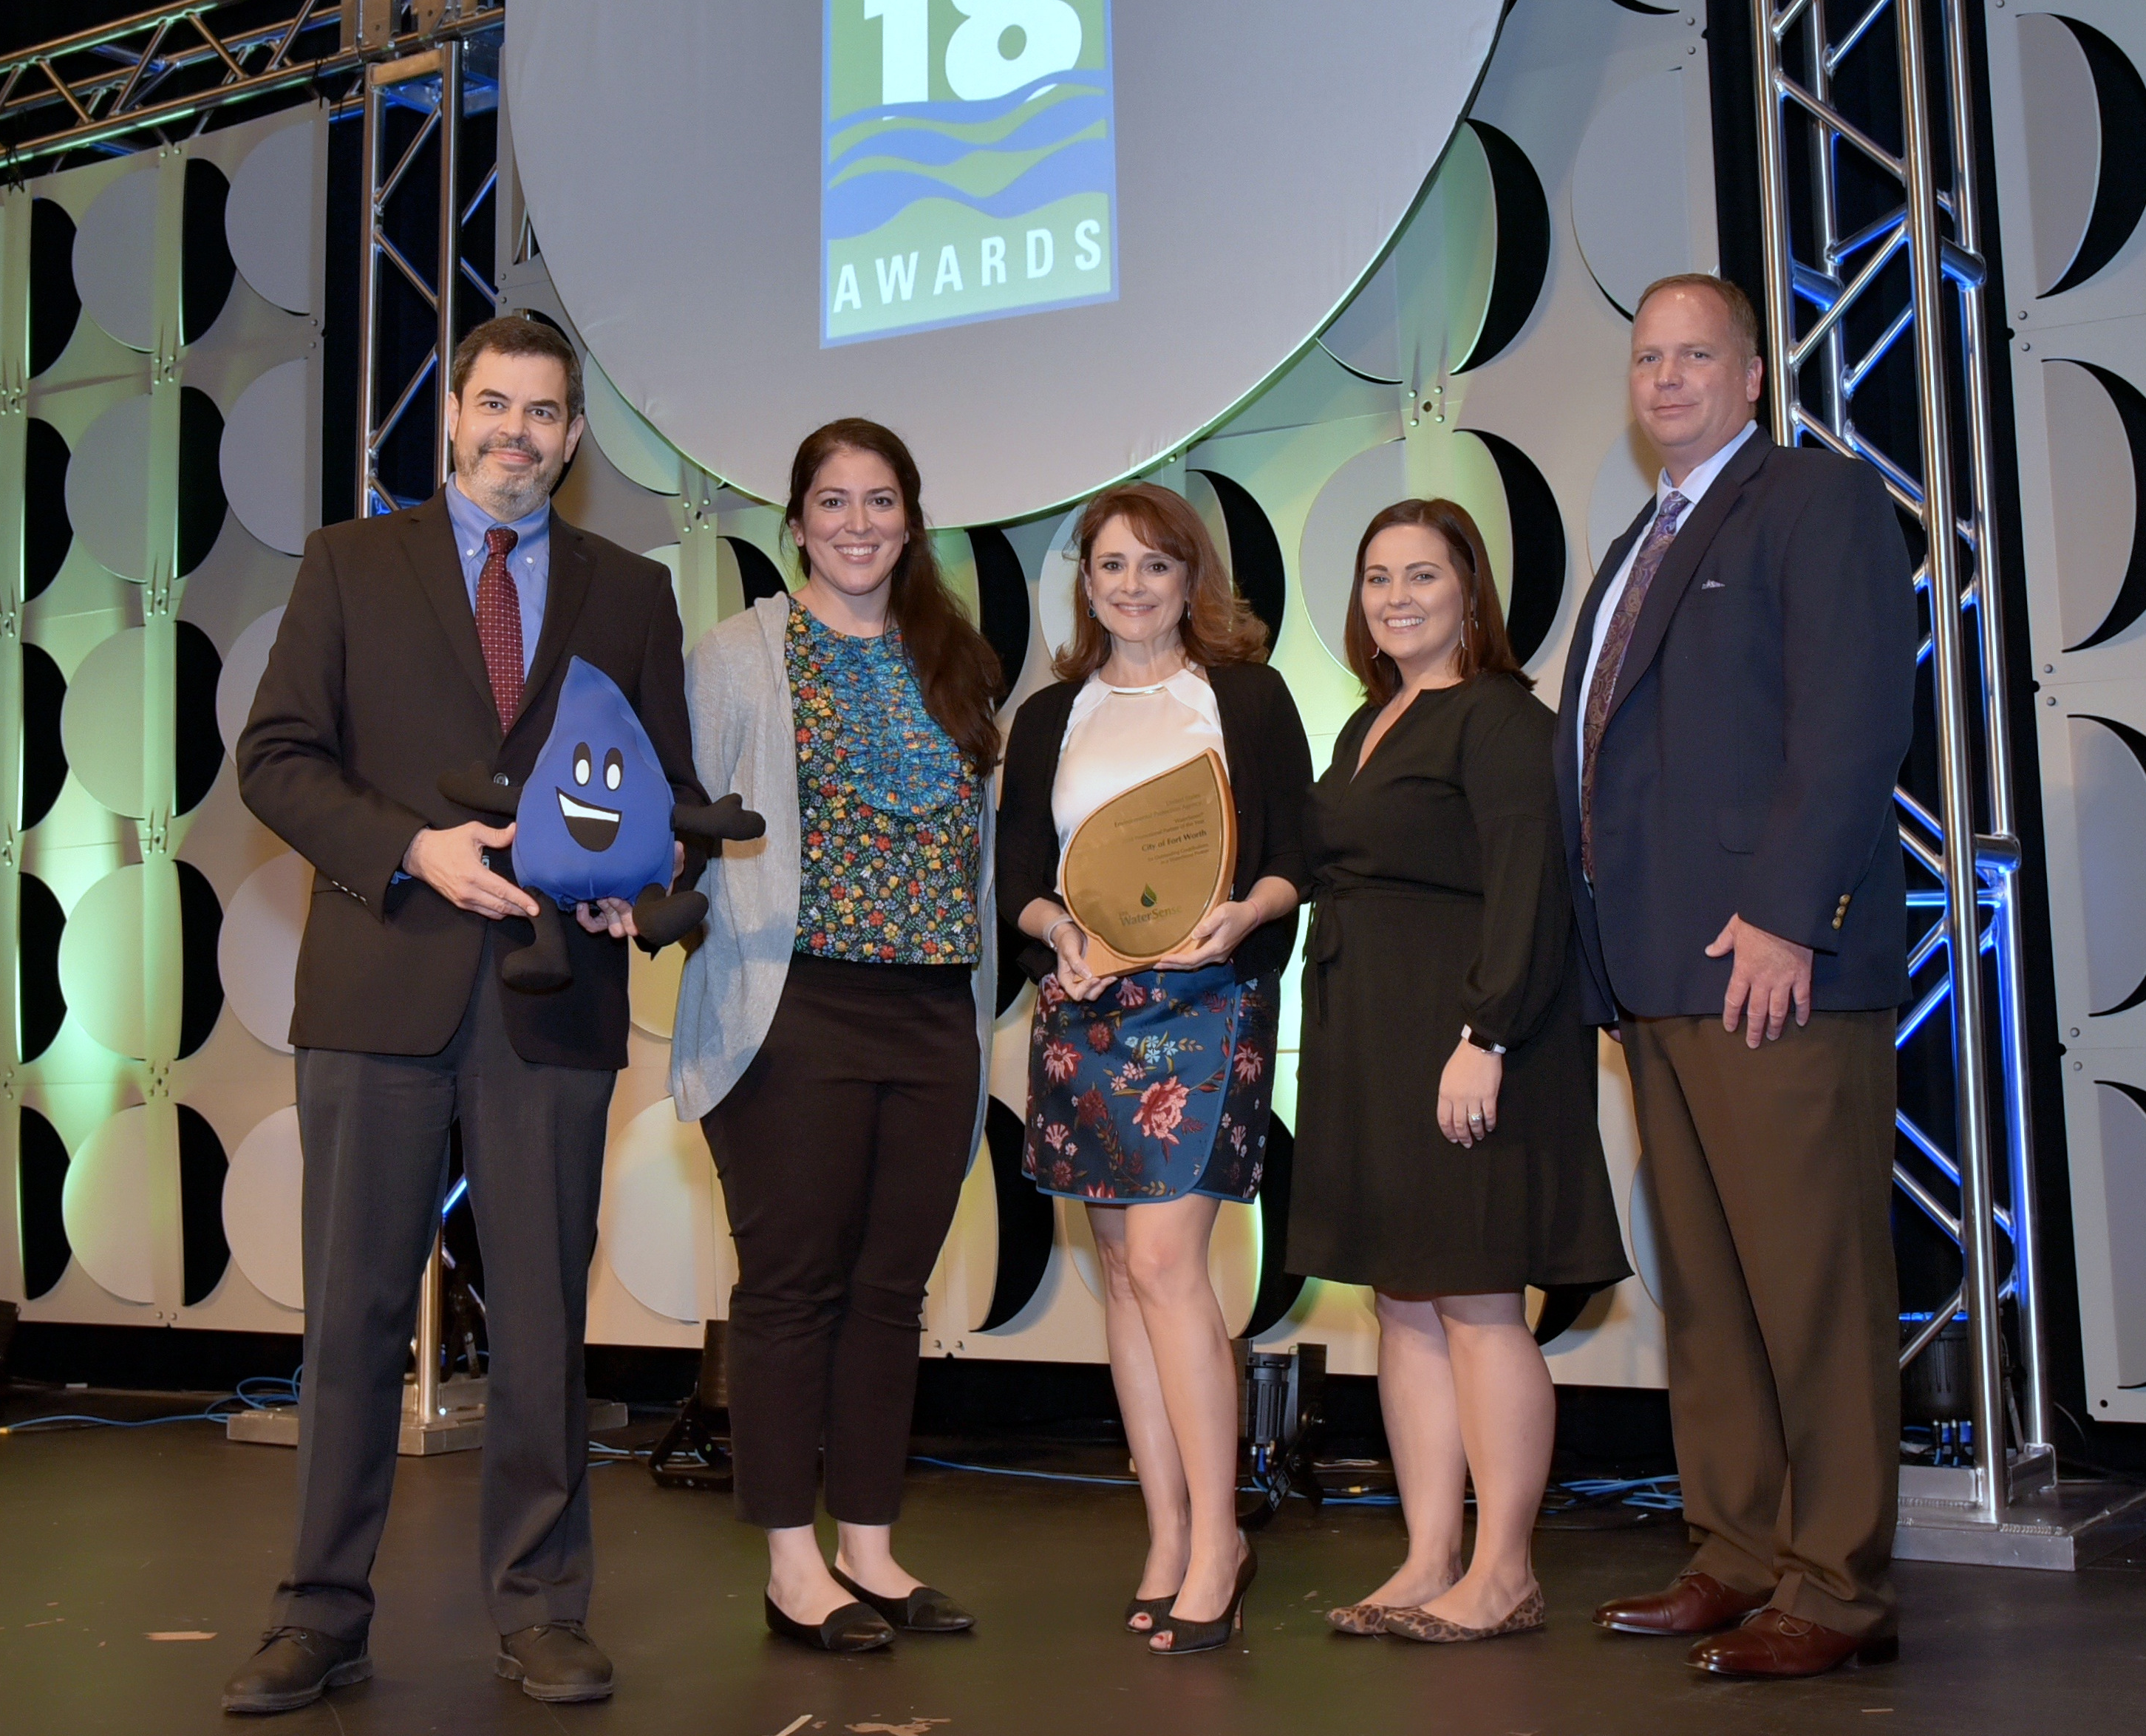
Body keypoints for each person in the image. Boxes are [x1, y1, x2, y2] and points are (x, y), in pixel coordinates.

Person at [228, 310, 692, 1714]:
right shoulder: (349, 564)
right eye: (496, 405)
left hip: (553, 1003)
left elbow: (659, 804)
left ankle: (543, 1610)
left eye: (545, 413)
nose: (518, 433)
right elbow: (275, 760)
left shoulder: (629, 590)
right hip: (380, 986)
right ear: (452, 416)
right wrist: (408, 850)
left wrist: (639, 896)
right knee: (354, 1317)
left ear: (574, 435)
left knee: (545, 1318)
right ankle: (319, 1614)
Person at [1562, 273, 1914, 1678]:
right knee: (1708, 1291)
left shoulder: (1813, 503)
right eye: (1647, 357)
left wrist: (1787, 915)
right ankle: (1737, 1552)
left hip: (1772, 967)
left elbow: (1852, 721)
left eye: (1695, 354)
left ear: (1754, 372)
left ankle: (1834, 1586)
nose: (1666, 378)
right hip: (1656, 971)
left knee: (1810, 1287)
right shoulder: (1643, 537)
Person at [670, 419, 1004, 1654]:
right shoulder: (738, 655)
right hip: (790, 1007)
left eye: (879, 501)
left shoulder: (957, 657)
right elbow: (683, 833)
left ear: (910, 519)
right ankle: (793, 1564)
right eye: (831, 501)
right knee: (792, 1291)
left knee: (889, 1293)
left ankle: (870, 1548)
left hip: (934, 1012)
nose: (856, 523)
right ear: (796, 522)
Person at [1289, 497, 1629, 1646]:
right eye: (1379, 577)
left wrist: (1484, 1038)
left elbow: (1532, 889)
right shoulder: (1370, 721)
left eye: (1422, 576)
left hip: (1474, 1042)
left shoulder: (1499, 719)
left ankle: (1504, 1569)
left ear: (1470, 594)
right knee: (1404, 1302)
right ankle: (1429, 1555)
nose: (1397, 598)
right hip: (1369, 1043)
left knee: (1482, 1300)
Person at [995, 483, 1312, 1655]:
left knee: (1172, 1261)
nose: (1132, 586)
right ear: (1086, 582)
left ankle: (1222, 1536)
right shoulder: (1049, 715)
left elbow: (1296, 855)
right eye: (1110, 566)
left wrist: (1243, 919)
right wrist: (1057, 934)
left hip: (1208, 1001)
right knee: (1122, 1272)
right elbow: (1017, 872)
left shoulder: (1246, 695)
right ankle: (1168, 1530)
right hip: (1085, 1010)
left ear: (1193, 581)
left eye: (1155, 567)